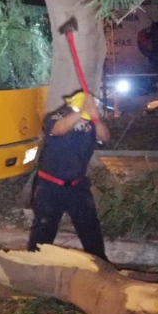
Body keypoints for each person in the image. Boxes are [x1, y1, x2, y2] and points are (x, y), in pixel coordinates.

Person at [27, 91, 111, 262]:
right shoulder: (56, 117)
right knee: (44, 229)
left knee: (90, 229)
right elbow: (58, 130)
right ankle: (34, 266)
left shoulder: (92, 122)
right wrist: (81, 112)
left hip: (78, 186)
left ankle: (101, 266)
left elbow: (104, 137)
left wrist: (96, 119)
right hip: (49, 186)